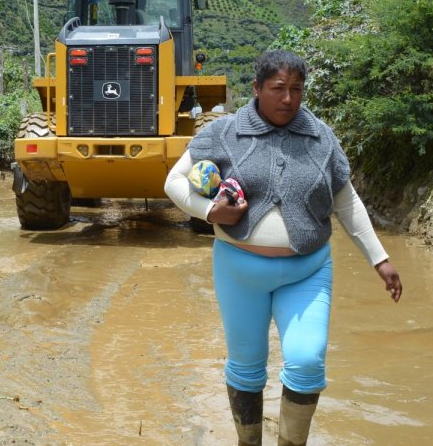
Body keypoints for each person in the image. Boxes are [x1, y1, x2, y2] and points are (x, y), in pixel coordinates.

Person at [164, 50, 402, 446]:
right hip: (239, 271)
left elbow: (346, 202)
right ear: (257, 88)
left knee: (308, 361)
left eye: (296, 89)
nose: (288, 98)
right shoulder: (225, 132)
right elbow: (174, 181)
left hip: (306, 271)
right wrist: (209, 211)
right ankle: (248, 441)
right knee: (246, 366)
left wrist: (380, 259)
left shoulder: (321, 138)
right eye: (278, 88)